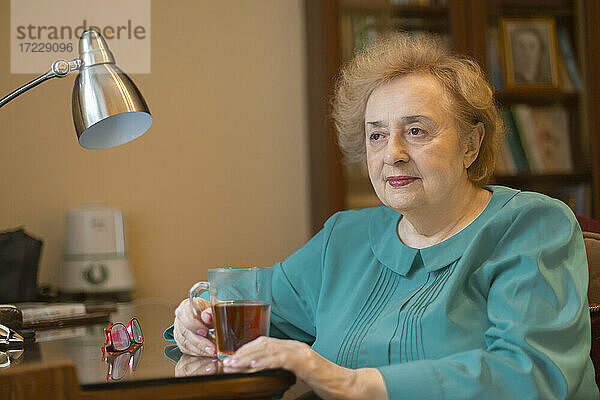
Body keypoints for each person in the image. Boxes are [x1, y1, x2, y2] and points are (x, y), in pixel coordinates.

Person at [166, 33, 598, 399]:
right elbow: (248, 296)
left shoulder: (532, 227)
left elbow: (531, 374)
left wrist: (352, 383)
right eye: (377, 135)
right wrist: (196, 313)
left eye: (416, 131)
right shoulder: (345, 237)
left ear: (471, 144)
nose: (392, 153)